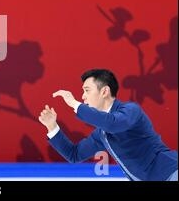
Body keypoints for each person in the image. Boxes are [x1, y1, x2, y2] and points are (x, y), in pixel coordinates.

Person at [38, 69, 178, 181]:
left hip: (172, 172)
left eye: (87, 90)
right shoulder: (102, 134)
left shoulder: (131, 110)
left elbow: (113, 124)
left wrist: (74, 104)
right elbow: (74, 154)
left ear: (104, 91)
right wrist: (52, 127)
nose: (83, 97)